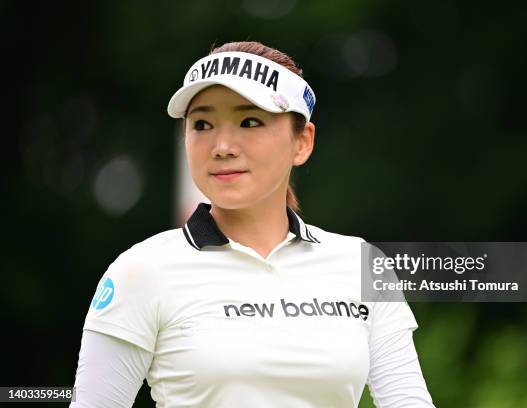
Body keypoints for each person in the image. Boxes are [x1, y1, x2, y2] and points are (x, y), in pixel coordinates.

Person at [70, 41, 436, 408]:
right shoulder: (140, 271)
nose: (223, 146)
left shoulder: (362, 264)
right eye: (202, 124)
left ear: (302, 142)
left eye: (249, 121)